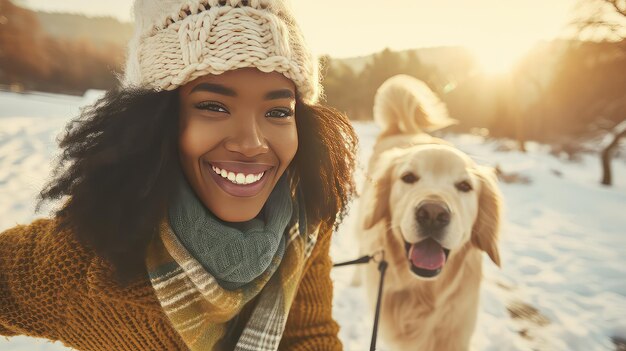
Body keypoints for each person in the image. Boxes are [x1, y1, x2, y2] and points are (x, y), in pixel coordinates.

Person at [0, 0, 357, 350]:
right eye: (213, 106)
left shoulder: (302, 215)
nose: (251, 144)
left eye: (278, 112)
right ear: (155, 120)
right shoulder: (86, 257)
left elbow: (308, 334)